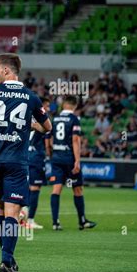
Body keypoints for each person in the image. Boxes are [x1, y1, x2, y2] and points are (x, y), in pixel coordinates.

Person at [0, 53, 52, 272]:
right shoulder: (31, 97)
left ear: (7, 71)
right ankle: (6, 261)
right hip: (17, 163)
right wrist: (29, 123)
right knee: (12, 213)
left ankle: (7, 257)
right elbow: (47, 127)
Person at [48, 96, 97, 231]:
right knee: (77, 188)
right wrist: (77, 161)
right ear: (74, 106)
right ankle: (82, 221)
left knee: (56, 189)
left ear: (64, 105)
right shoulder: (74, 119)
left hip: (57, 158)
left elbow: (50, 140)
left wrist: (52, 154)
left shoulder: (55, 119)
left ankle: (55, 222)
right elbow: (75, 140)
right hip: (69, 158)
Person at [21, 97, 51, 229]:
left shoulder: (25, 115)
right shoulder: (41, 119)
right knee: (35, 188)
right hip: (36, 157)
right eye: (47, 106)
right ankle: (29, 219)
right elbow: (47, 133)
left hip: (24, 156)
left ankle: (21, 216)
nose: (48, 108)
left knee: (25, 188)